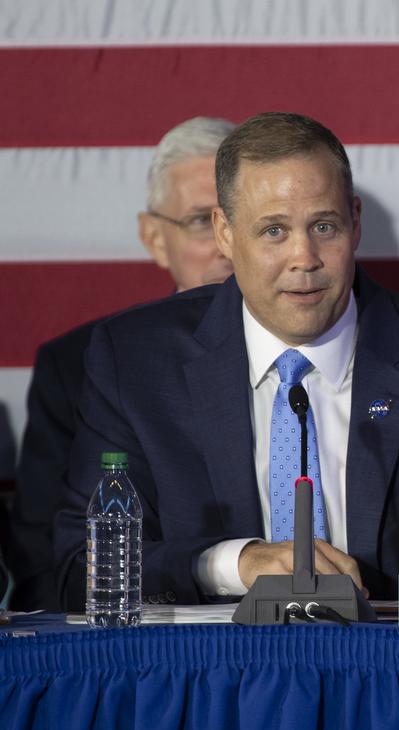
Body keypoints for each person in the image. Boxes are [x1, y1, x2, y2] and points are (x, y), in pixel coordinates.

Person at [51, 112, 399, 608]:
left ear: (355, 223)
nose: (303, 257)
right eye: (273, 231)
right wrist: (236, 564)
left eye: (324, 226)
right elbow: (81, 567)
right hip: (217, 675)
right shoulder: (137, 361)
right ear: (225, 232)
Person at [8, 117, 237, 610]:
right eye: (203, 220)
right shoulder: (78, 365)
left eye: (238, 220)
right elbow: (44, 557)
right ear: (153, 237)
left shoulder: (318, 352)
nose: (226, 246)